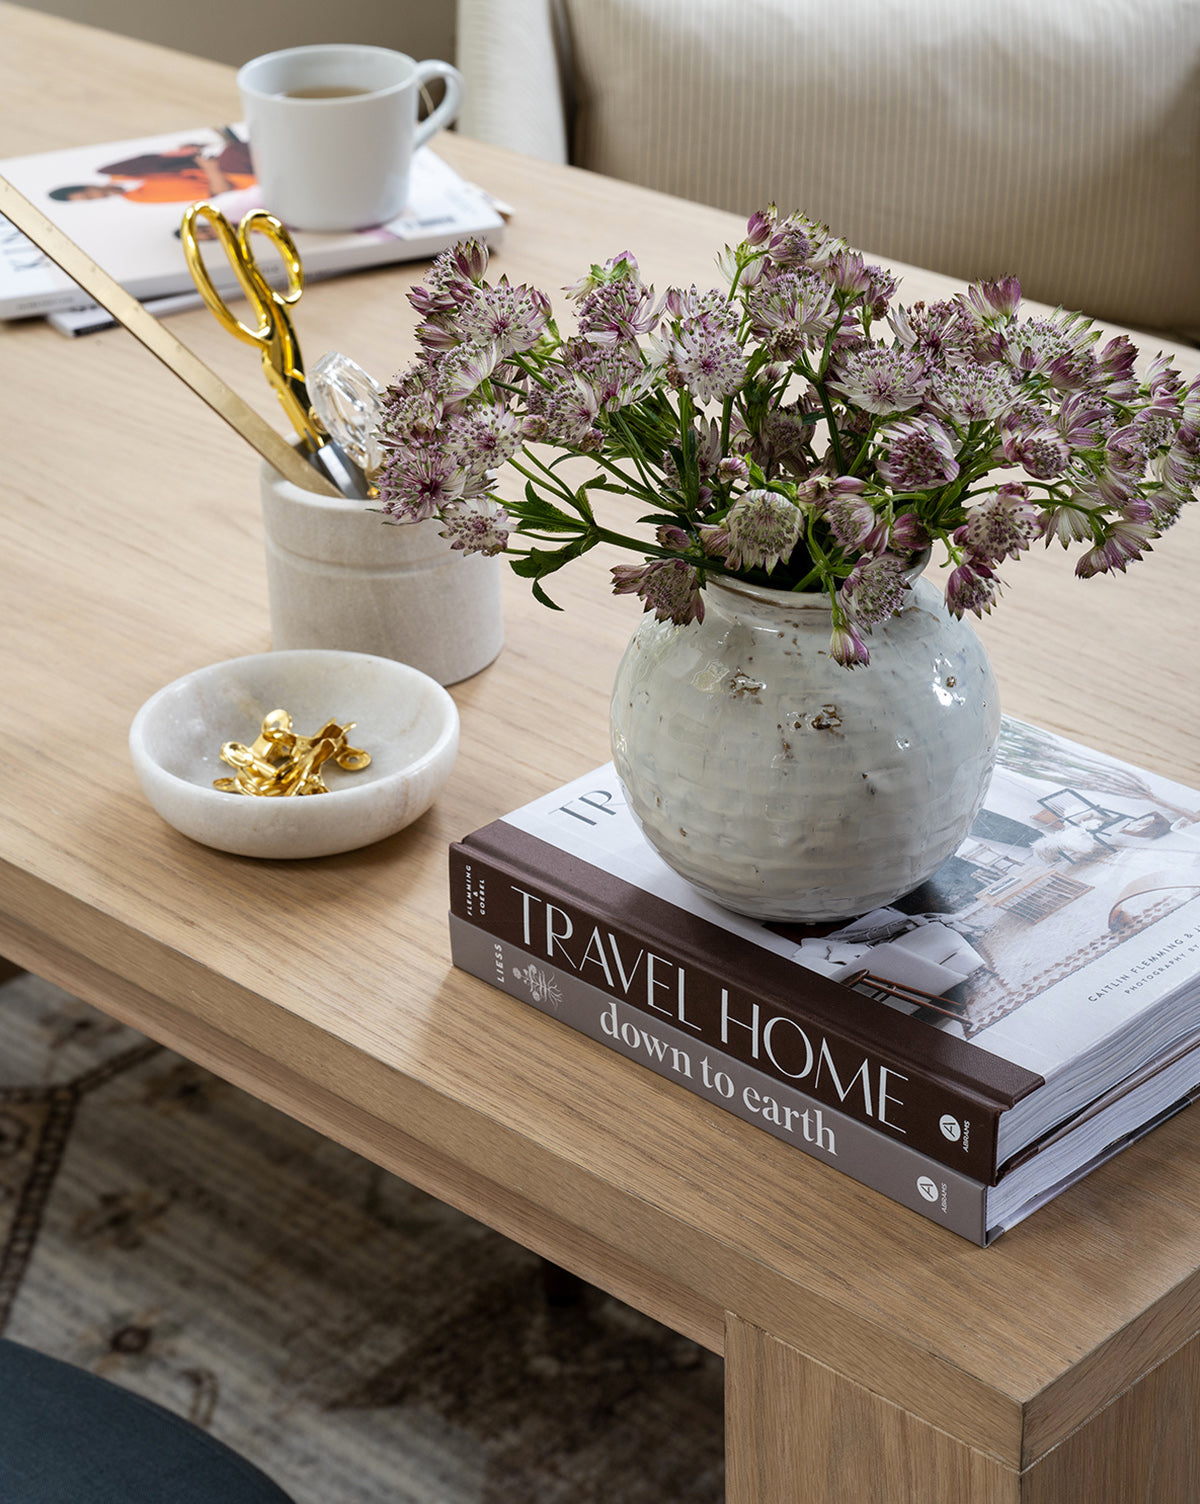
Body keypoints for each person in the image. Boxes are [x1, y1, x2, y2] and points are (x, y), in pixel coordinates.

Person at [48, 137, 255, 205]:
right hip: (239, 176)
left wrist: (188, 153)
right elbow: (221, 190)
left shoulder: (122, 172)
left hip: (217, 159)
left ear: (88, 185)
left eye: (88, 193)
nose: (96, 196)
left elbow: (166, 159)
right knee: (235, 153)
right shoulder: (140, 197)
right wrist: (210, 169)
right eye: (89, 199)